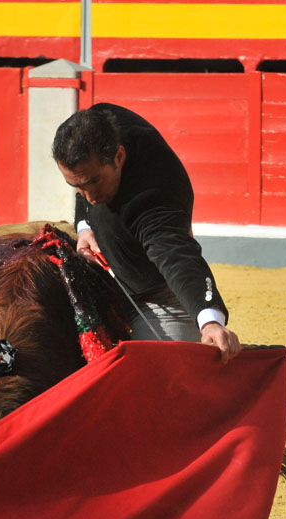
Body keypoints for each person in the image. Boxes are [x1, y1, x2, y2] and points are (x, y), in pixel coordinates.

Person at [51, 103, 241, 362]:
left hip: (158, 299)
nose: (89, 196)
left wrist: (210, 321)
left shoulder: (155, 195)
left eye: (95, 182)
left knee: (159, 379)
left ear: (119, 157)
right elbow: (84, 186)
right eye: (77, 186)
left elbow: (177, 257)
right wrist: (84, 226)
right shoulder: (99, 128)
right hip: (104, 280)